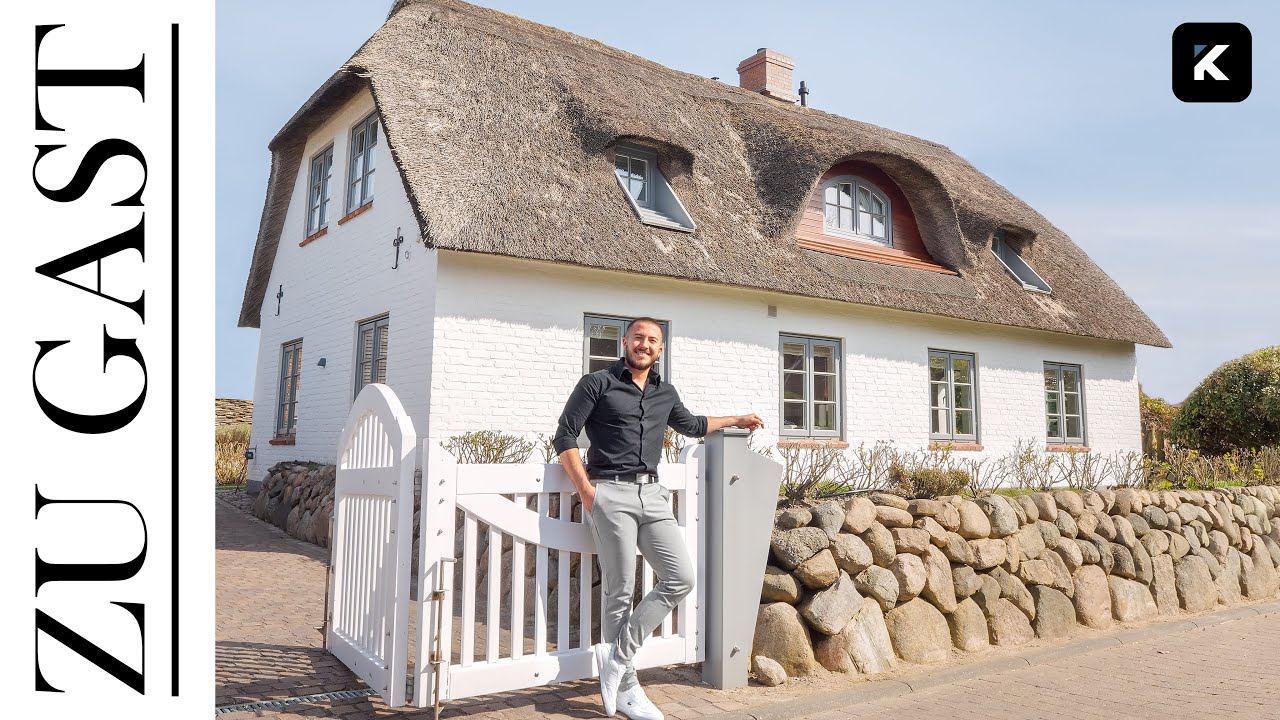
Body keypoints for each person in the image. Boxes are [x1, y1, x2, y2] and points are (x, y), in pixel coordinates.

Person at [553, 317, 763, 720]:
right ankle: (627, 687)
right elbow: (565, 434)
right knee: (620, 589)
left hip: (653, 494)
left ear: (660, 349)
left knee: (680, 577)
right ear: (625, 341)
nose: (644, 344)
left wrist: (737, 420)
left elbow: (694, 425)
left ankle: (617, 656)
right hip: (609, 492)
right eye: (638, 338)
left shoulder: (665, 392)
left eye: (653, 340)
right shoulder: (596, 383)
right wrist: (586, 491)